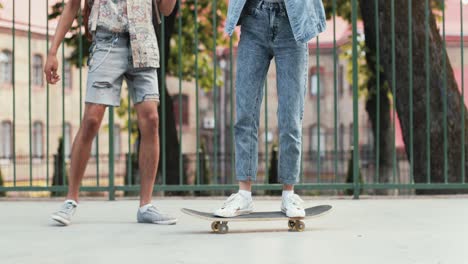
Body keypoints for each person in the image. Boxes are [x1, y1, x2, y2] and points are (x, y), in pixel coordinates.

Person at [44, 0, 176, 226]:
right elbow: (72, 5)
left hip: (144, 40)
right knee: (92, 120)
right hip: (107, 41)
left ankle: (146, 206)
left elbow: (165, 9)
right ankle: (70, 200)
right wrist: (53, 51)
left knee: (152, 120)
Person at [214, 0, 326, 217]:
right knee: (245, 114)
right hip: (254, 19)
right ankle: (244, 195)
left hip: (292, 25)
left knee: (290, 116)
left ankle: (289, 194)